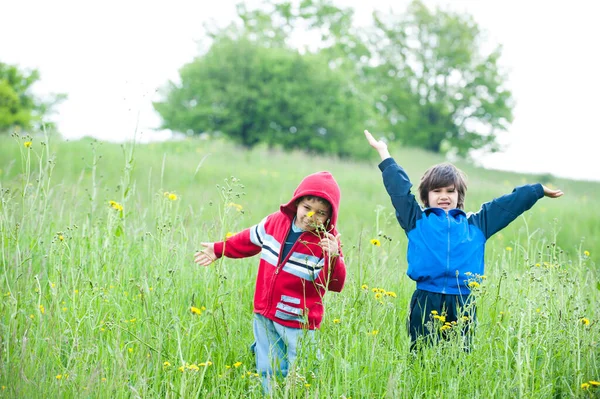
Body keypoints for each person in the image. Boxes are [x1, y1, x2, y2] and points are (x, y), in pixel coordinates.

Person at [364, 129, 563, 350]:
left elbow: (506, 205)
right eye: (436, 190)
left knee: (459, 359)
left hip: (463, 301)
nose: (444, 196)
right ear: (426, 196)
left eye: (450, 191)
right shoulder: (417, 221)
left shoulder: (477, 225)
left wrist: (536, 190)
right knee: (421, 357)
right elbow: (399, 191)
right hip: (426, 297)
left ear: (459, 195)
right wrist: (384, 153)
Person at [194, 171, 346, 393]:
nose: (311, 216)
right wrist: (219, 249)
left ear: (330, 217)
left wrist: (333, 256)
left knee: (304, 364)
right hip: (265, 311)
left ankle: (299, 393)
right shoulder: (275, 222)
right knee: (268, 364)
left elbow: (335, 283)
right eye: (307, 208)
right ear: (296, 203)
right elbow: (247, 240)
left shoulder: (326, 243)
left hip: (298, 319)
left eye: (321, 213)